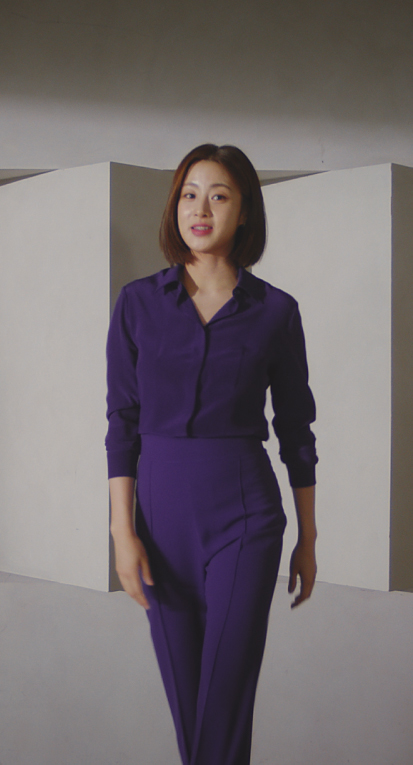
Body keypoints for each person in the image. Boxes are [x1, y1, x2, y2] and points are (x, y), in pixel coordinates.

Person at [105, 144, 318, 765]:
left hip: (245, 516)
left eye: (219, 195)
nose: (200, 209)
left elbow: (297, 431)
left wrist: (307, 537)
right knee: (189, 704)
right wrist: (122, 530)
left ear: (244, 211)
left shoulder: (276, 312)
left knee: (223, 704)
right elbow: (122, 422)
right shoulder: (137, 304)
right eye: (189, 195)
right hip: (159, 521)